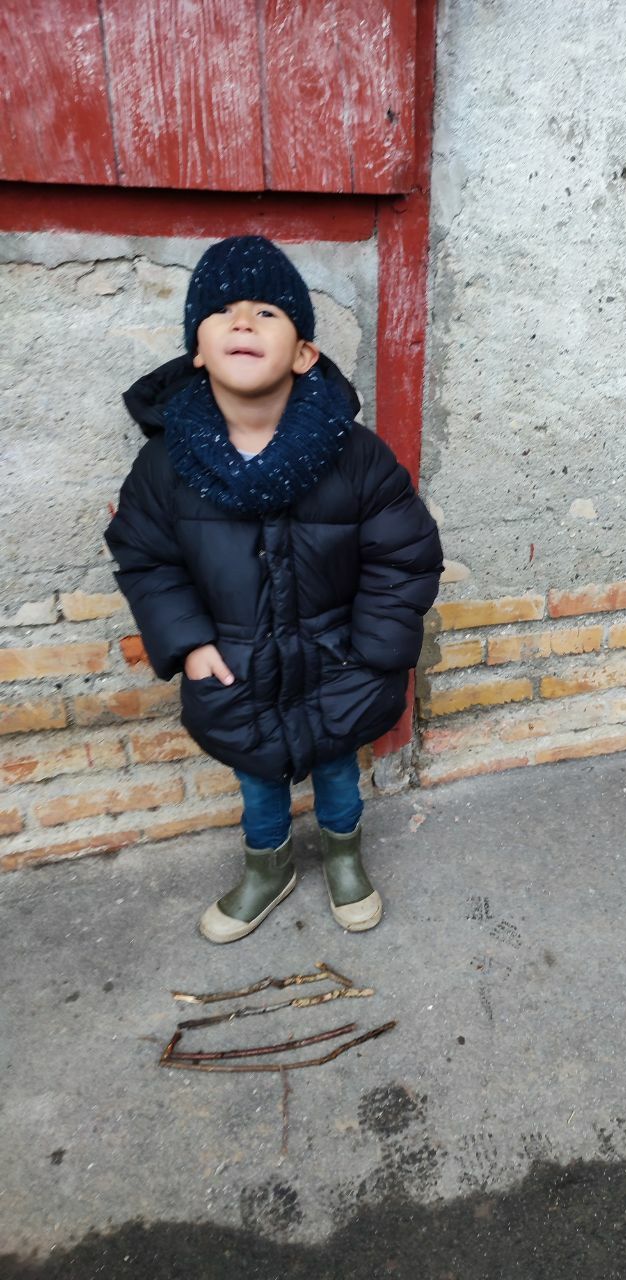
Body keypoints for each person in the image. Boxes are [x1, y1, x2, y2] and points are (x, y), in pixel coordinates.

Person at [104, 236, 443, 944]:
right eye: (221, 311)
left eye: (267, 312)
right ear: (198, 353)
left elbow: (403, 553)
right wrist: (189, 643)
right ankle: (269, 866)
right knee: (257, 780)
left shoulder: (353, 455)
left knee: (338, 773)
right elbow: (146, 558)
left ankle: (344, 856)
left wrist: (374, 653)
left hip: (338, 663)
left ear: (304, 353)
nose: (243, 322)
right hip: (237, 669)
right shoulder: (166, 465)